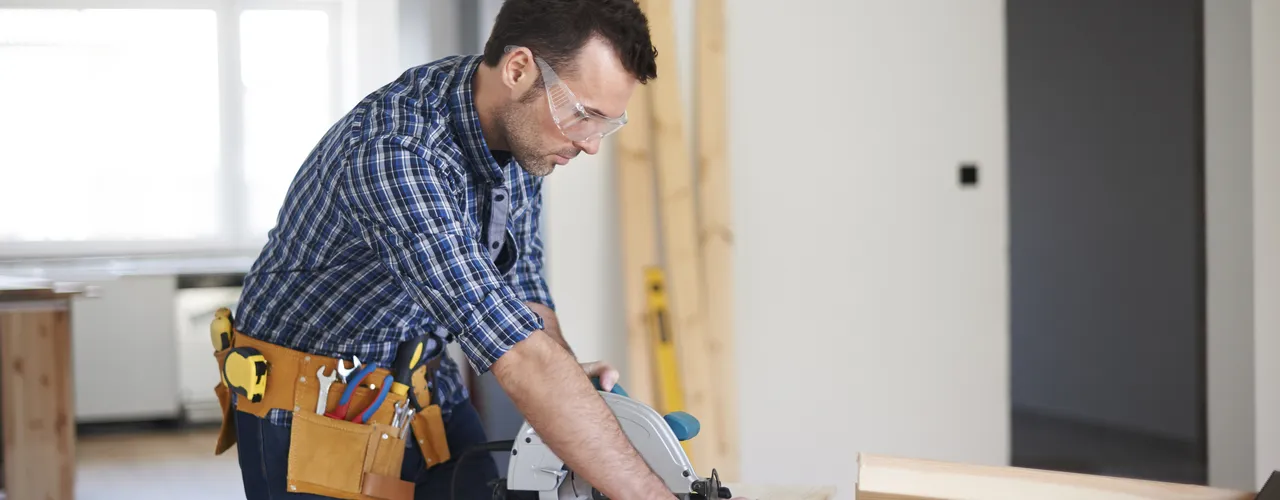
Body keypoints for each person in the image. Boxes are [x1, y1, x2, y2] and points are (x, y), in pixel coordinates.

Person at [224, 0, 678, 499]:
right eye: (583, 114)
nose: (591, 144)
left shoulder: (518, 134)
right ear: (519, 69)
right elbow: (517, 353)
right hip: (314, 406)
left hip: (422, 389)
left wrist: (568, 380)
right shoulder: (395, 151)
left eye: (606, 124)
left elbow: (522, 295)